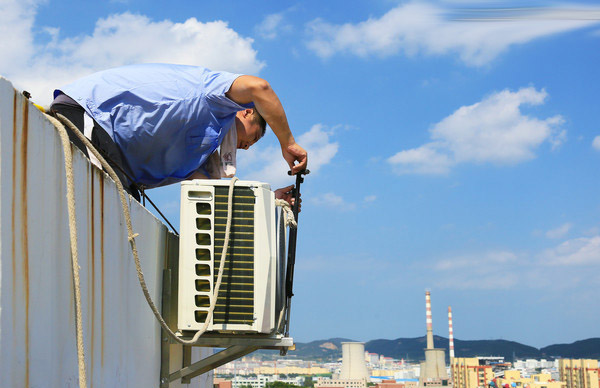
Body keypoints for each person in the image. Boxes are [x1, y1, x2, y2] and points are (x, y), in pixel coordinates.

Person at [50, 63, 307, 204]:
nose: (247, 148)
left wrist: (269, 201)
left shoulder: (199, 152)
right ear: (247, 112)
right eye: (253, 137)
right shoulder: (213, 95)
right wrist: (288, 143)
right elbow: (258, 87)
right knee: (97, 206)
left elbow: (216, 192)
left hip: (116, 156)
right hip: (93, 115)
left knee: (122, 213)